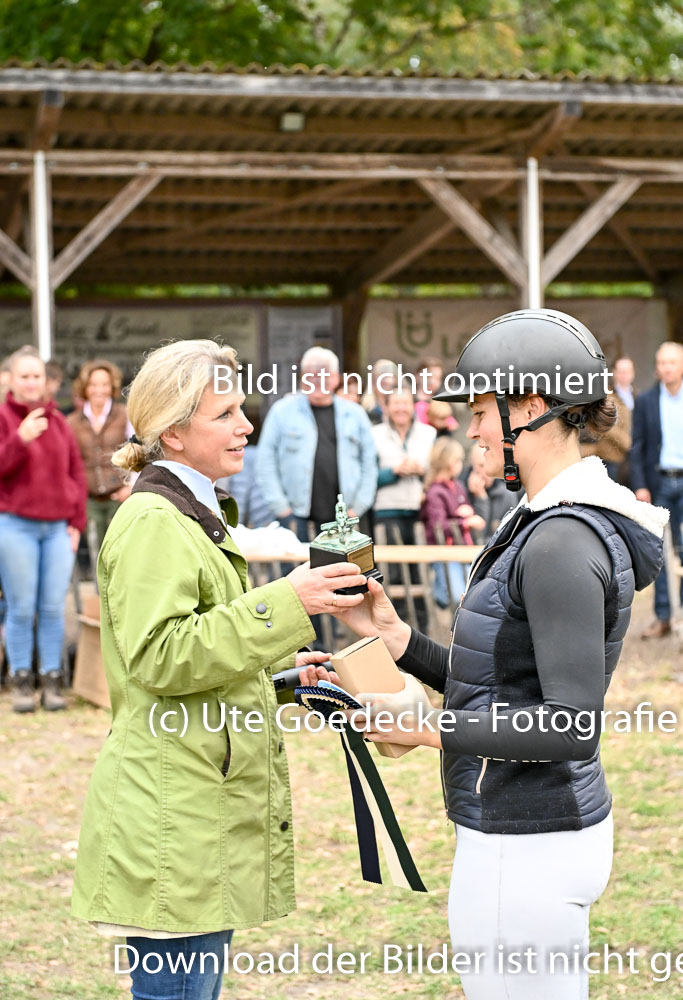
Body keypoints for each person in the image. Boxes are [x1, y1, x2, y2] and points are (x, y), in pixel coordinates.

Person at [328, 309, 666, 1000]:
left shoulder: (560, 543)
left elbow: (568, 724)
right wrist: (400, 642)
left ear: (531, 410)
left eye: (480, 411)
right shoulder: (538, 523)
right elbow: (498, 681)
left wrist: (426, 729)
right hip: (516, 831)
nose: (470, 428)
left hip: (528, 840)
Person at [71, 339, 366, 1000]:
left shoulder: (188, 513)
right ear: (173, 433)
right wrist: (288, 600)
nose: (246, 426)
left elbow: (202, 655)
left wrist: (283, 682)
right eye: (226, 414)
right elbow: (162, 656)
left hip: (196, 805)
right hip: (176, 816)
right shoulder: (153, 521)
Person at [0, 345, 87, 712]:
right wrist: (20, 439)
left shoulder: (59, 422)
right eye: (25, 376)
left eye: (37, 376)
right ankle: (21, 680)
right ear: (12, 380)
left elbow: (75, 473)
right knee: (21, 608)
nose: (32, 382)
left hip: (57, 530)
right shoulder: (4, 417)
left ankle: (52, 681)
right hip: (16, 525)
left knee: (52, 606)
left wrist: (76, 522)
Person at [257, 346, 377, 537]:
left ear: (336, 378)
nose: (317, 381)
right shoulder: (281, 411)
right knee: (295, 567)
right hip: (295, 517)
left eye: (324, 374)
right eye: (311, 375)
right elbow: (265, 461)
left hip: (343, 518)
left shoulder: (355, 414)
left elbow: (369, 464)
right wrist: (281, 508)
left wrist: (358, 508)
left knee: (342, 568)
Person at [630, 340, 683, 638]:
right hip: (658, 482)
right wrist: (640, 484)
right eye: (662, 363)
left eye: (672, 363)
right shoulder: (647, 400)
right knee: (659, 552)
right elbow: (637, 447)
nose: (666, 368)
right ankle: (662, 617)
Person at [372, 390, 435, 633]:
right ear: (386, 406)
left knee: (420, 574)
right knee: (393, 575)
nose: (401, 408)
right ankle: (395, 631)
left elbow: (438, 469)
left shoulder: (428, 434)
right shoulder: (374, 434)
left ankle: (423, 631)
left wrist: (421, 470)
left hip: (419, 511)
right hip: (387, 511)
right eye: (395, 403)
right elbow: (367, 476)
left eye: (405, 403)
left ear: (413, 406)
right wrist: (394, 471)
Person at [67, 359, 133, 555]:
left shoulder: (125, 414)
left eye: (104, 384)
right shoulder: (72, 421)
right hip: (89, 500)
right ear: (85, 387)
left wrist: (131, 485)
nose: (99, 390)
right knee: (97, 553)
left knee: (121, 553)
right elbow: (69, 462)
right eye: (94, 384)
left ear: (111, 386)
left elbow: (138, 451)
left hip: (120, 496)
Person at [420, 437, 485, 607]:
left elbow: (464, 510)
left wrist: (465, 514)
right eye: (458, 461)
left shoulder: (457, 486)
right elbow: (438, 526)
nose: (460, 465)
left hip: (462, 550)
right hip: (446, 554)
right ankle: (439, 592)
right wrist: (464, 522)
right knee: (455, 596)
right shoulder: (435, 492)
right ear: (450, 463)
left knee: (467, 594)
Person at [465, 441, 520, 540]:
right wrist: (480, 498)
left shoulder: (506, 495)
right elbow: (476, 536)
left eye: (488, 464)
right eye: (481, 465)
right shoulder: (463, 492)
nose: (486, 470)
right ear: (472, 466)